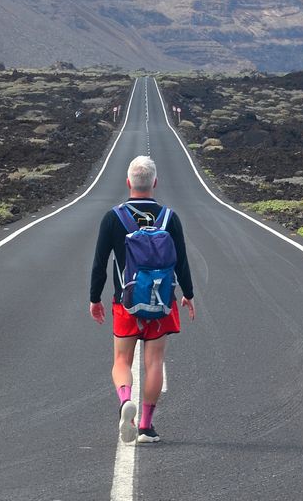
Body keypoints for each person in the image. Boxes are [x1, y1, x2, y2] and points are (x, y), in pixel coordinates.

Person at [90, 155, 195, 443]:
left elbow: (100, 263)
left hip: (125, 302)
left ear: (128, 183)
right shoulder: (169, 218)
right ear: (155, 183)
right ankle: (146, 427)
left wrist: (94, 298)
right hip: (162, 302)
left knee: (122, 360)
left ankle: (126, 401)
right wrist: (188, 294)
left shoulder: (113, 217)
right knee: (155, 362)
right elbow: (182, 262)